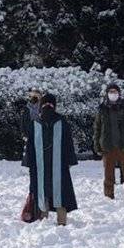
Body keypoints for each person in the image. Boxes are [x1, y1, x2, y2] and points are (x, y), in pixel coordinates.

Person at [24, 92, 78, 224]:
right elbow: (68, 143)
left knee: (49, 193)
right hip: (50, 165)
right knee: (53, 193)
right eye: (46, 104)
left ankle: (49, 221)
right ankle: (54, 221)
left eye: (49, 104)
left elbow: (68, 143)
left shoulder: (53, 122)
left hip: (48, 165)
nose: (47, 106)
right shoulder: (40, 123)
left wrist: (29, 162)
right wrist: (70, 161)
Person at [93, 83, 124, 203]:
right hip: (108, 147)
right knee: (108, 175)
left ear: (119, 93)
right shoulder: (102, 109)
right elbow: (97, 128)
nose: (113, 94)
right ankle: (108, 197)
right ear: (107, 94)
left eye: (115, 92)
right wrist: (97, 145)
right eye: (111, 92)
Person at [21, 89, 42, 169]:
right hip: (29, 132)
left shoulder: (42, 107)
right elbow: (23, 122)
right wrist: (23, 134)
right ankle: (31, 166)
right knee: (30, 151)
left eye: (36, 95)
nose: (33, 97)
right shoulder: (26, 108)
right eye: (32, 96)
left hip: (40, 132)